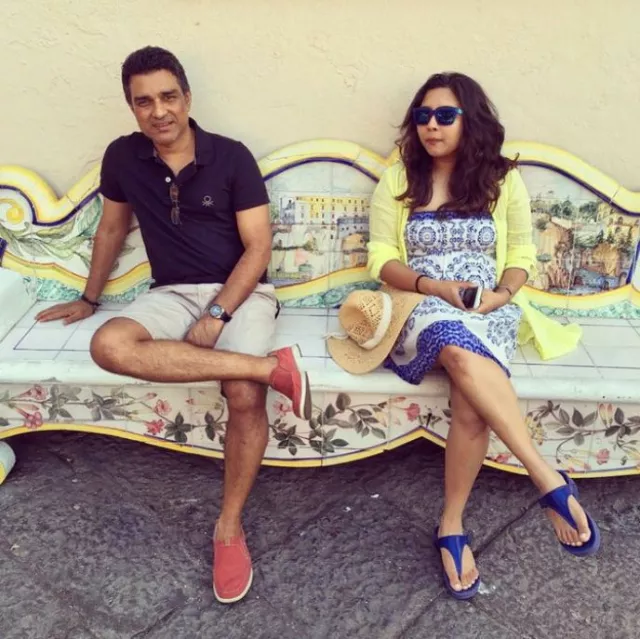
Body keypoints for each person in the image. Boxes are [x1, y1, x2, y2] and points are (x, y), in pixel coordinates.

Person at [36, 46, 311, 604]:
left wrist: (218, 315)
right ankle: (270, 369)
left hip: (241, 293)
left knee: (241, 393)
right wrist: (90, 297)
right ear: (132, 108)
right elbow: (112, 229)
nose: (158, 111)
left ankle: (228, 528)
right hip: (169, 294)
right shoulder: (123, 157)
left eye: (168, 97)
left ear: (187, 97)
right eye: (144, 102)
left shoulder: (231, 156)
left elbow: (258, 248)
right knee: (109, 344)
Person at [365, 72, 600, 599]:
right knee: (453, 343)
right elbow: (381, 258)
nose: (431, 126)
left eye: (445, 115)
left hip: (488, 307)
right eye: (423, 116)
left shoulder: (501, 179)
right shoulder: (400, 176)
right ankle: (545, 477)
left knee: (470, 402)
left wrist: (502, 295)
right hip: (421, 303)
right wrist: (434, 286)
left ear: (469, 120)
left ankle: (451, 524)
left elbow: (520, 255)